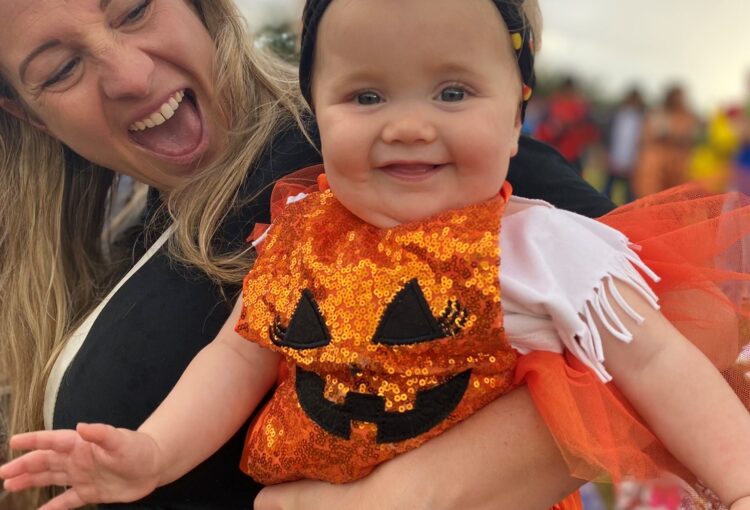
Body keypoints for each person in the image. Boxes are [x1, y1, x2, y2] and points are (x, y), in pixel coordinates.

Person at [5, 0, 750, 509]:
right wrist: (153, 454)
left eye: (134, 7)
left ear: (517, 114)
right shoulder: (295, 221)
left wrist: (406, 495)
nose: (407, 126)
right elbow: (237, 355)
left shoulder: (520, 230)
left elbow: (676, 336)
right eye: (58, 68)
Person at [634, 85, 700, 197]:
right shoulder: (657, 114)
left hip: (679, 167)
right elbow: (647, 137)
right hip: (655, 166)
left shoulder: (687, 116)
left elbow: (691, 137)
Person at [604, 88, 645, 203]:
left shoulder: (642, 118)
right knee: (608, 189)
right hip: (615, 156)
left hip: (632, 160)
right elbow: (609, 136)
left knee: (629, 194)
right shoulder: (618, 115)